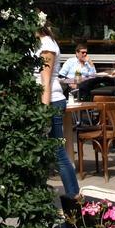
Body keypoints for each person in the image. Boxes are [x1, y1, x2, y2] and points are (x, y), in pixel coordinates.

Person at [37, 25, 80, 200]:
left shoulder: (46, 44)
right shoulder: (39, 43)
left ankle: (73, 196)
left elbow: (45, 81)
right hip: (45, 100)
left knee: (56, 150)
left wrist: (43, 110)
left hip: (51, 101)